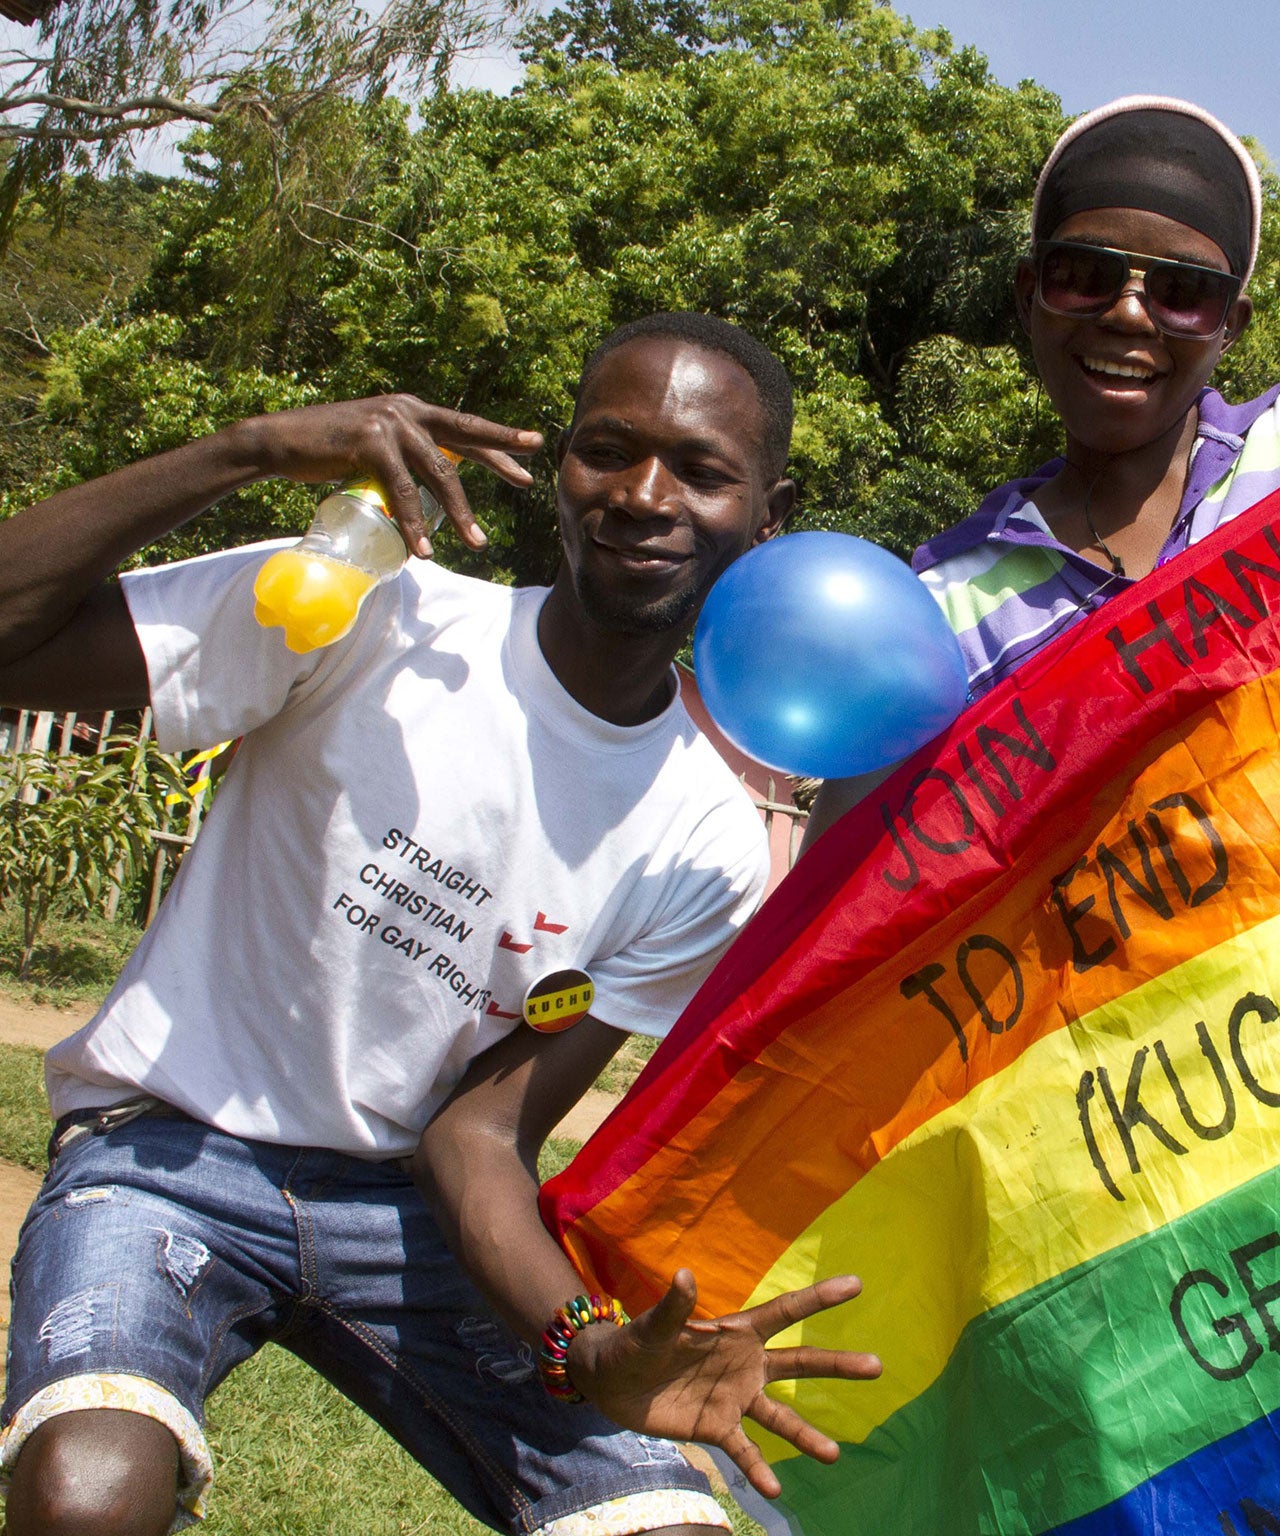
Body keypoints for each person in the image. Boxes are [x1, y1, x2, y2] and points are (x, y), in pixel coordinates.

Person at [0, 312, 881, 1536]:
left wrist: (591, 1343)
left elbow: (477, 1139)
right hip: (170, 1160)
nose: (642, 494)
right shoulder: (369, 607)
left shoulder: (706, 842)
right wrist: (247, 448)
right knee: (83, 1493)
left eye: (700, 468)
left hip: (410, 1227)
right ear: (558, 469)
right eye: (607, 450)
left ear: (765, 514)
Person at [807, 94, 1280, 835]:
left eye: (1184, 293)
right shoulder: (945, 611)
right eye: (1084, 274)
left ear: (1231, 326)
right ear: (1028, 294)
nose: (1130, 315)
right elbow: (837, 901)